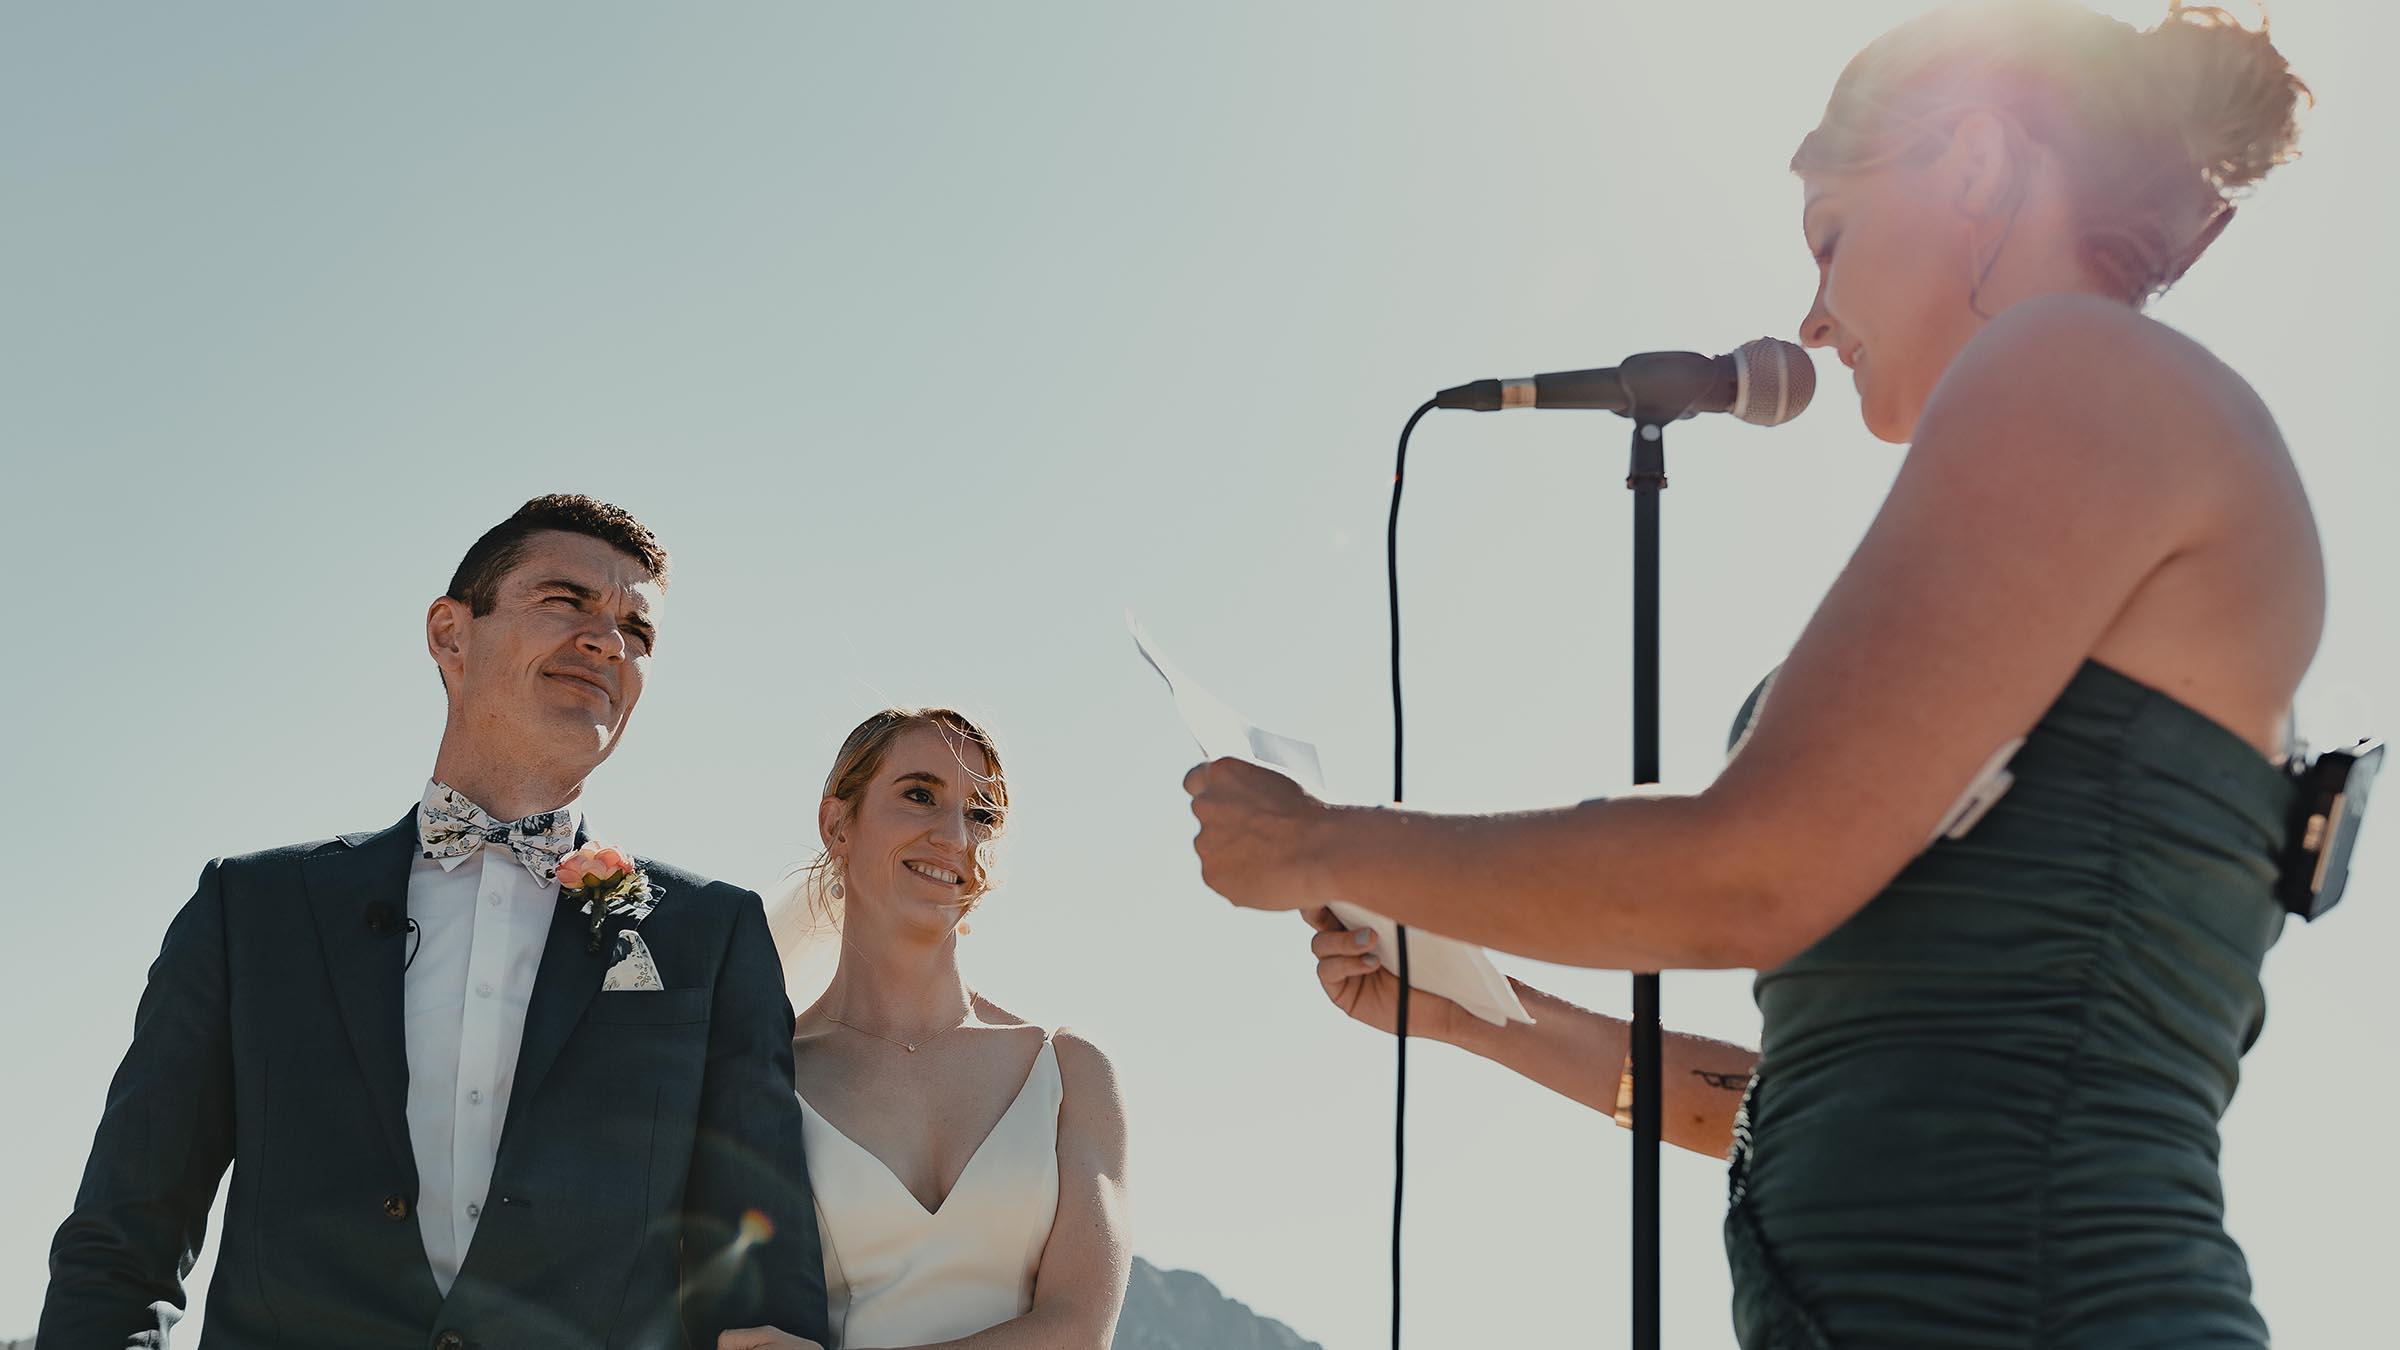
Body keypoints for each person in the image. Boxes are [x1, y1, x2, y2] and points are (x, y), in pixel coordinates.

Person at [1183, 2, 2322, 1345]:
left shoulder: (2073, 363)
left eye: (1831, 237)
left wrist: (1322, 844)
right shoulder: (2081, 421)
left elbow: (1751, 869)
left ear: (1971, 162)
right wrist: (1488, 1017)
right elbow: (1822, 1096)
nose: (1814, 317)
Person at [40, 494, 830, 1350]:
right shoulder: (252, 912)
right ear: (451, 634)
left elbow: (759, 1282)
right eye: (566, 600)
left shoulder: (709, 935)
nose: (608, 640)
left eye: (638, 631)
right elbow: (121, 1248)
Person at [727, 709, 1131, 1350]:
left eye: (982, 815)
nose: (954, 835)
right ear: (838, 824)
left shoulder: (1069, 1074)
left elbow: (1078, 1330)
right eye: (920, 795)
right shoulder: (766, 1079)